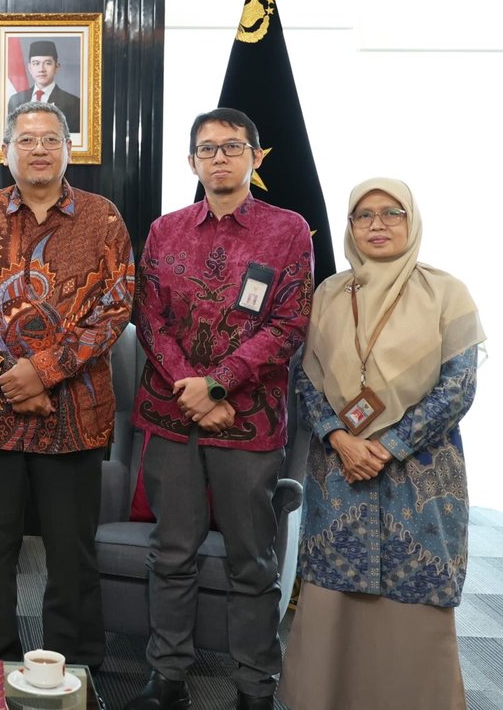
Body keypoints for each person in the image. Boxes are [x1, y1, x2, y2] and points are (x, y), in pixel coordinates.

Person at [127, 107, 312, 710]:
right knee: (172, 553)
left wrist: (219, 385)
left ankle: (255, 687)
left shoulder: (288, 230)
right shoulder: (165, 230)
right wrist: (194, 387)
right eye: (207, 149)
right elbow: (149, 318)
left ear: (255, 158)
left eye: (233, 147)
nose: (220, 158)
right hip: (172, 416)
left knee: (251, 561)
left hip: (249, 422)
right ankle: (167, 679)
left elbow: (289, 323)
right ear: (192, 162)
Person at [280, 179, 482, 710]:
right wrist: (340, 437)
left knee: (413, 601)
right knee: (333, 598)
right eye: (363, 215)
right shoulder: (328, 293)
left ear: (411, 221)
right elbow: (307, 379)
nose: (377, 225)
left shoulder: (446, 293)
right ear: (350, 226)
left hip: (418, 477)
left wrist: (388, 445)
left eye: (391, 213)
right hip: (339, 471)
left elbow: (458, 387)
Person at [0, 100, 133, 674]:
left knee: (71, 553)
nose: (39, 150)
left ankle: (72, 669)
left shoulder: (103, 218)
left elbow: (115, 306)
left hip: (75, 413)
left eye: (50, 139)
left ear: (68, 149)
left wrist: (44, 372)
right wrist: (16, 377)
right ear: (6, 151)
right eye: (26, 140)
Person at [6, 39, 81, 134]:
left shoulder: (74, 103)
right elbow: (10, 136)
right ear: (29, 67)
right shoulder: (15, 100)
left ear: (57, 67)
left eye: (48, 63)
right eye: (36, 63)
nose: (41, 69)